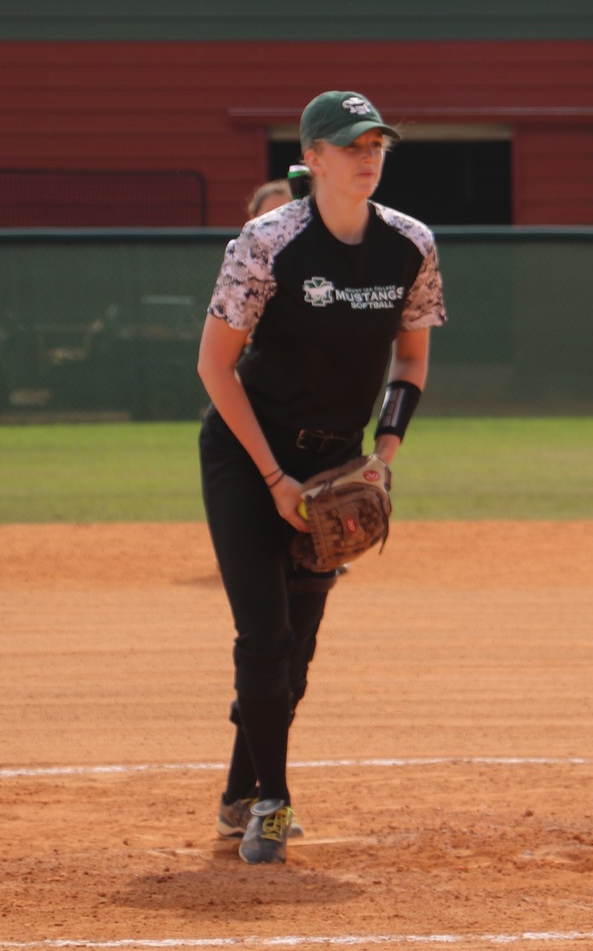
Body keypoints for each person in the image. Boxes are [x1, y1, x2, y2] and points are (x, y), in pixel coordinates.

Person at [196, 89, 446, 864]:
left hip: (334, 464)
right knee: (264, 635)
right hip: (248, 457)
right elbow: (214, 366)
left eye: (376, 144)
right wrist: (274, 477)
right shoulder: (266, 242)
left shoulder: (410, 244)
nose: (367, 157)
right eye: (350, 145)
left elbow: (410, 359)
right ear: (312, 158)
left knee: (297, 647)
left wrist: (382, 456)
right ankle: (271, 802)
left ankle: (238, 794)